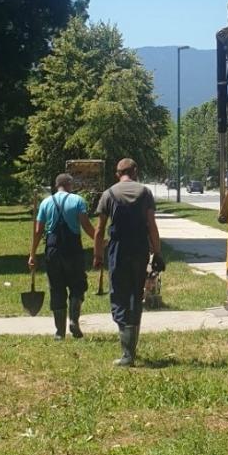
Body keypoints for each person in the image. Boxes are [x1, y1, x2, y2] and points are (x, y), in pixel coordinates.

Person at [94, 157, 164, 367]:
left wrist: (98, 255)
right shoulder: (145, 193)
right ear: (135, 172)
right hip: (139, 248)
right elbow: (151, 224)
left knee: (119, 295)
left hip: (118, 249)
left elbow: (99, 230)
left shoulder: (109, 194)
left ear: (118, 174)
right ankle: (131, 348)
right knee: (136, 293)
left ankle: (127, 353)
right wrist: (157, 252)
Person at [29, 173, 96, 340]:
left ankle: (59, 332)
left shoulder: (45, 202)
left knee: (56, 288)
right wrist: (98, 240)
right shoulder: (77, 201)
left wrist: (32, 254)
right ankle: (73, 321)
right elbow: (86, 225)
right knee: (78, 284)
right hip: (73, 249)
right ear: (68, 184)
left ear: (57, 185)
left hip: (53, 250)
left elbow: (38, 231)